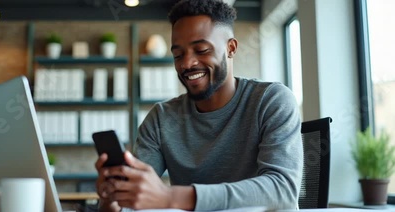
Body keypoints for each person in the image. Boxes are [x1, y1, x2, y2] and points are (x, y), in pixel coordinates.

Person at [94, 0, 303, 211]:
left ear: (231, 48)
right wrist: (113, 199)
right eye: (178, 55)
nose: (186, 63)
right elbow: (133, 198)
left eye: (201, 50)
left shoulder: (271, 101)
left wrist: (172, 197)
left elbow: (282, 190)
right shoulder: (161, 118)